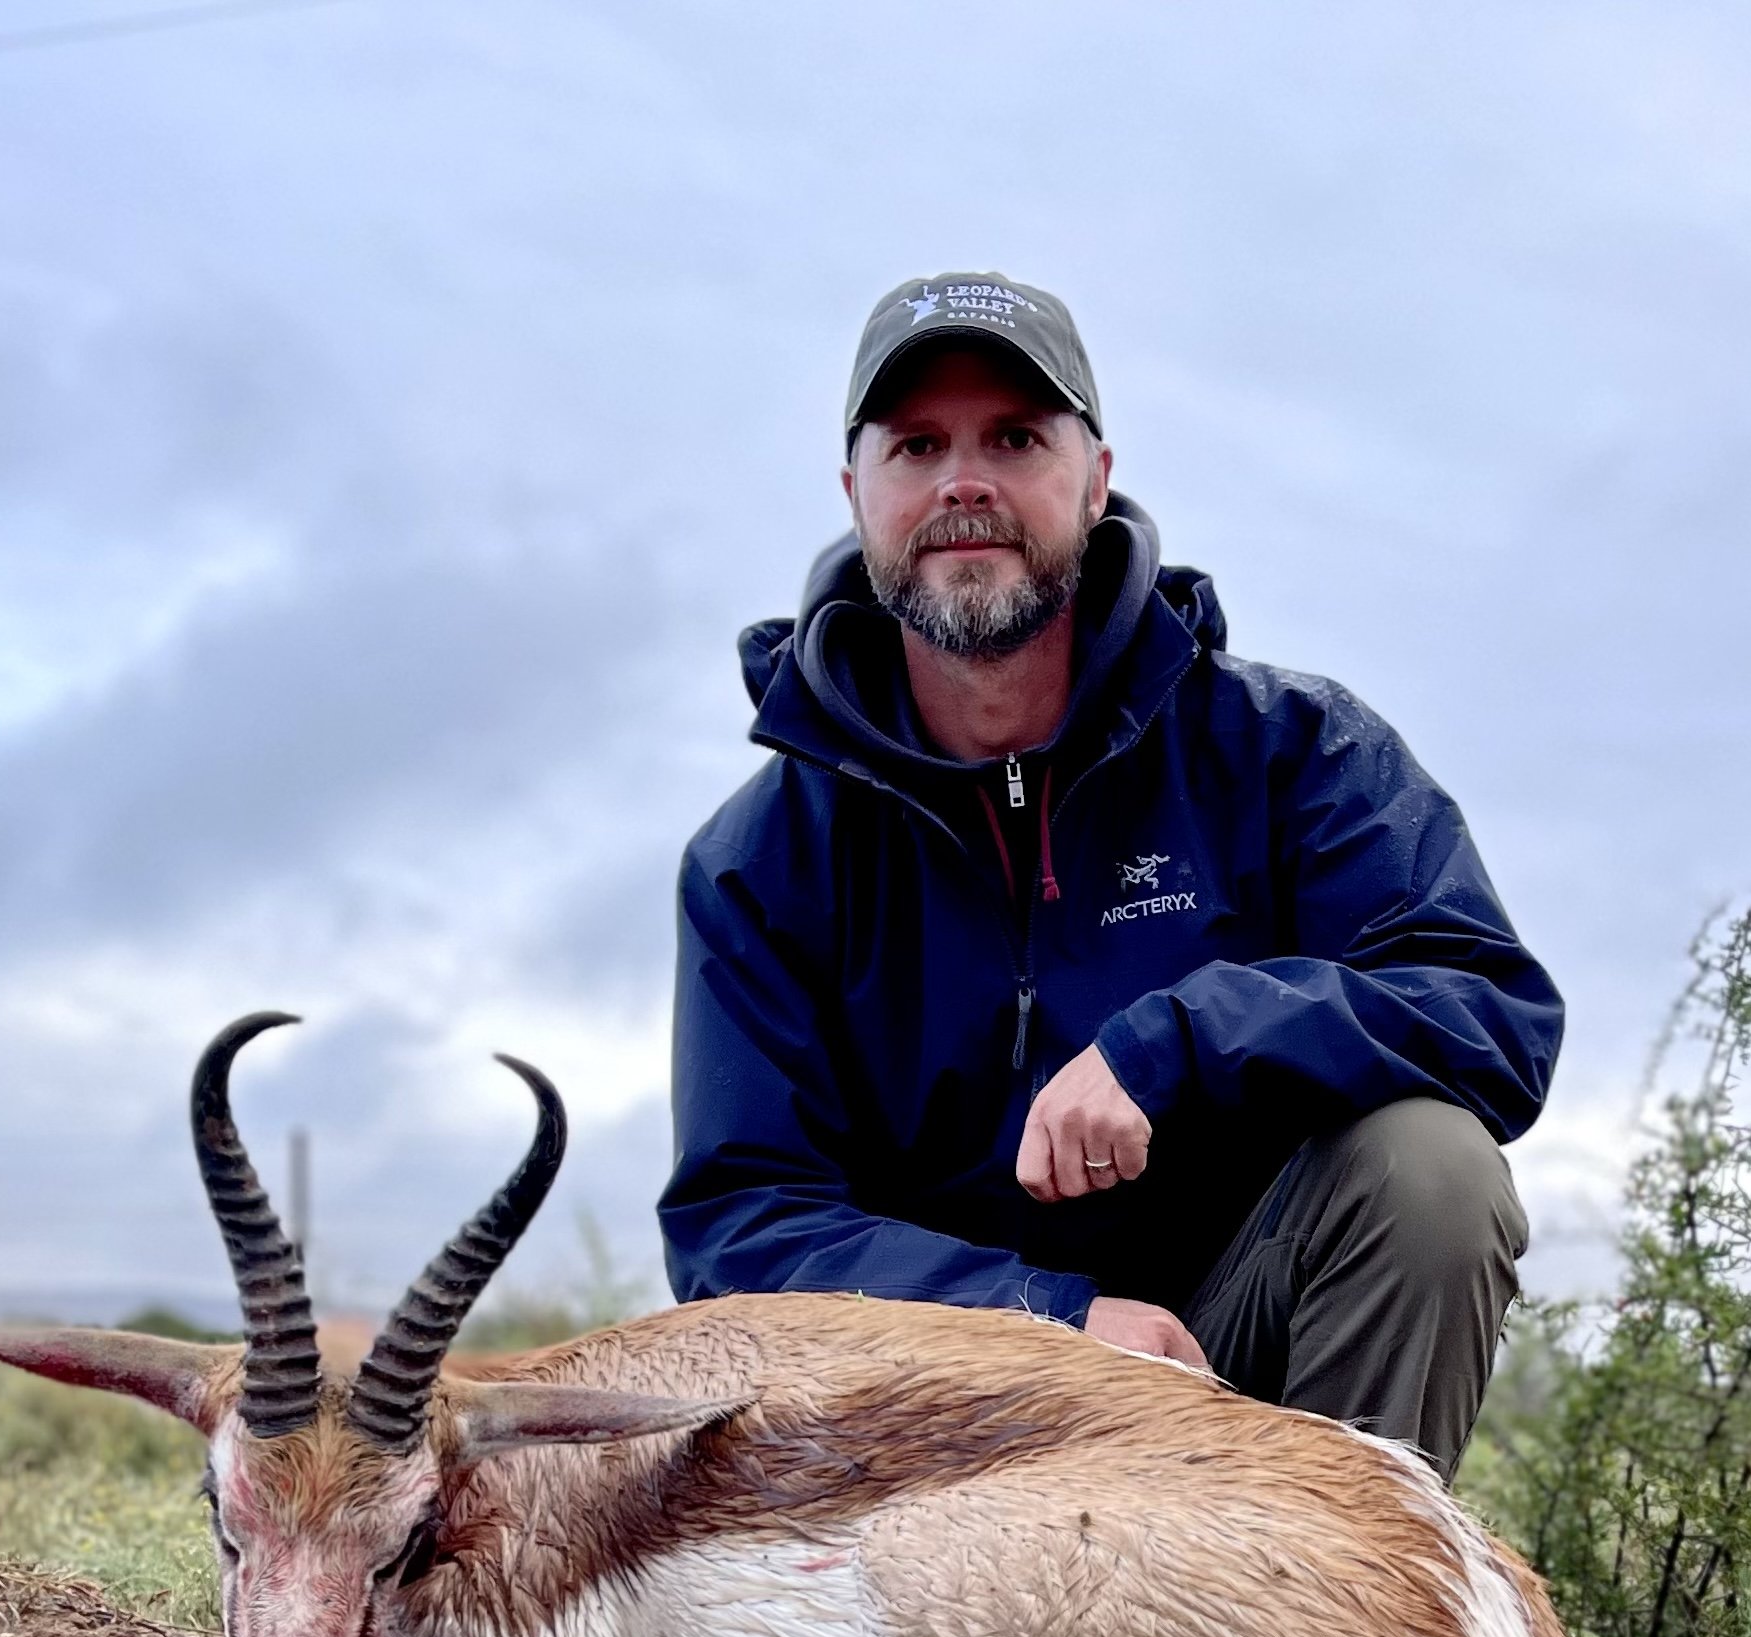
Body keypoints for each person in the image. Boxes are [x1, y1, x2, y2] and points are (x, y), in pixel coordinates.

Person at [659, 271, 1561, 1483]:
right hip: (934, 1432)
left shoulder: (1291, 750)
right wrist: (1045, 1315)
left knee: (1431, 1168)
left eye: (1015, 437)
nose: (962, 481)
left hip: (1240, 1380)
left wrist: (1176, 1042)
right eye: (917, 444)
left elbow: (1489, 1014)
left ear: (1094, 476)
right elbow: (737, 1226)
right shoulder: (757, 862)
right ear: (856, 492)